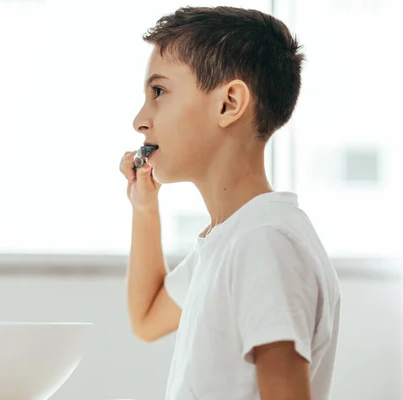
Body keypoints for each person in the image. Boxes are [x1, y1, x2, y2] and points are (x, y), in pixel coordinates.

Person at [119, 6, 341, 400]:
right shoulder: (231, 239)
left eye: (158, 92)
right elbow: (147, 318)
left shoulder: (264, 244)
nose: (140, 119)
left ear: (229, 104)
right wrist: (144, 207)